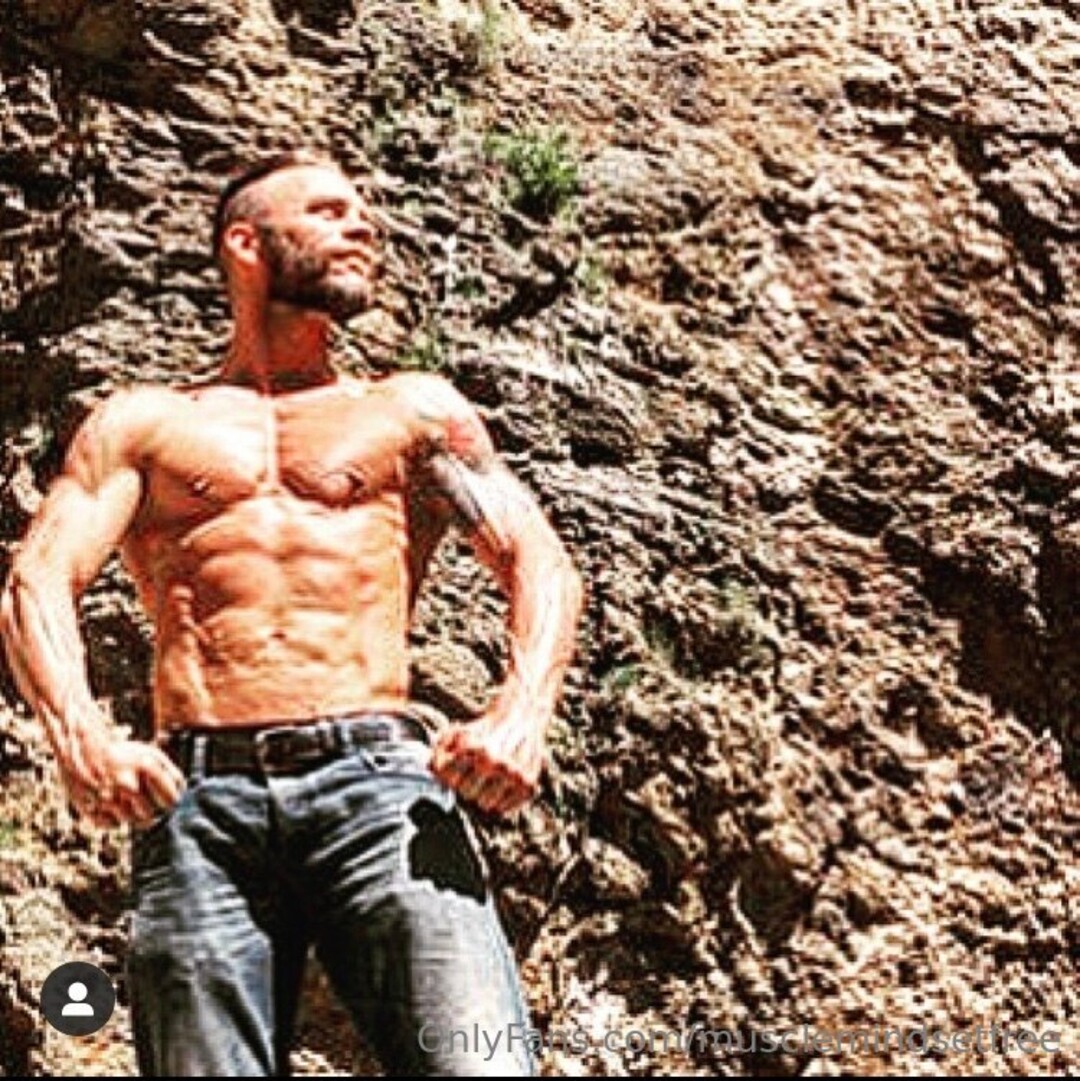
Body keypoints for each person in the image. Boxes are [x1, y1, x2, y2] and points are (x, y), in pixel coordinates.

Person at [0, 149, 584, 1076]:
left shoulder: (411, 411)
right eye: (327, 210)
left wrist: (521, 713)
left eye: (362, 212)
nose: (363, 225)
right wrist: (82, 738)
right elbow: (37, 578)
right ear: (246, 242)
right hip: (199, 802)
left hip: (381, 785)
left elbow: (535, 556)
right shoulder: (144, 424)